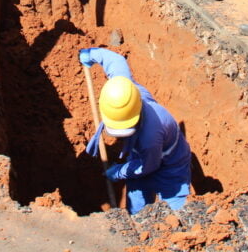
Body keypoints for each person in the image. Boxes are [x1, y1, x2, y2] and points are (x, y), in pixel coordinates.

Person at [79, 48, 191, 214]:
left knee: (175, 207)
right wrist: (91, 54)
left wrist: (119, 172)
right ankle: (136, 219)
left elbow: (148, 166)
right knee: (137, 204)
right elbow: (115, 61)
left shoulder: (150, 137)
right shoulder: (125, 91)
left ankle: (174, 222)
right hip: (141, 155)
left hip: (170, 163)